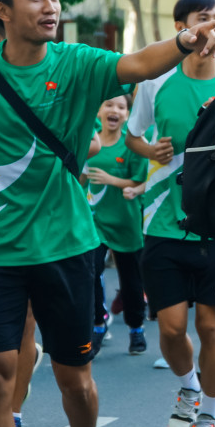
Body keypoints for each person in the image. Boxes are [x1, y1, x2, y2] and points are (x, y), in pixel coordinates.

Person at [0, 0, 215, 427]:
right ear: (2, 11)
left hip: (69, 247)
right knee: (1, 375)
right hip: (0, 254)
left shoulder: (77, 63)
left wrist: (185, 41)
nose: (50, 6)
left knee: (75, 379)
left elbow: (141, 63)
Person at [125, 0, 215, 427]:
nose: (212, 27)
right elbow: (133, 136)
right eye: (201, 20)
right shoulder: (155, 82)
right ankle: (189, 385)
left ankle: (210, 416)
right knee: (170, 329)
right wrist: (149, 151)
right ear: (182, 31)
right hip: (162, 223)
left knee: (211, 327)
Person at [83, 95, 148, 355]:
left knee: (132, 283)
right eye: (108, 104)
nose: (114, 110)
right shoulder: (89, 141)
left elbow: (140, 181)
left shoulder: (132, 145)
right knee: (90, 273)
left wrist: (114, 180)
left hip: (126, 223)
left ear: (127, 114)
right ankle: (98, 324)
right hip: (93, 223)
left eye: (121, 107)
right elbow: (79, 177)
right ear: (98, 110)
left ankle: (136, 329)